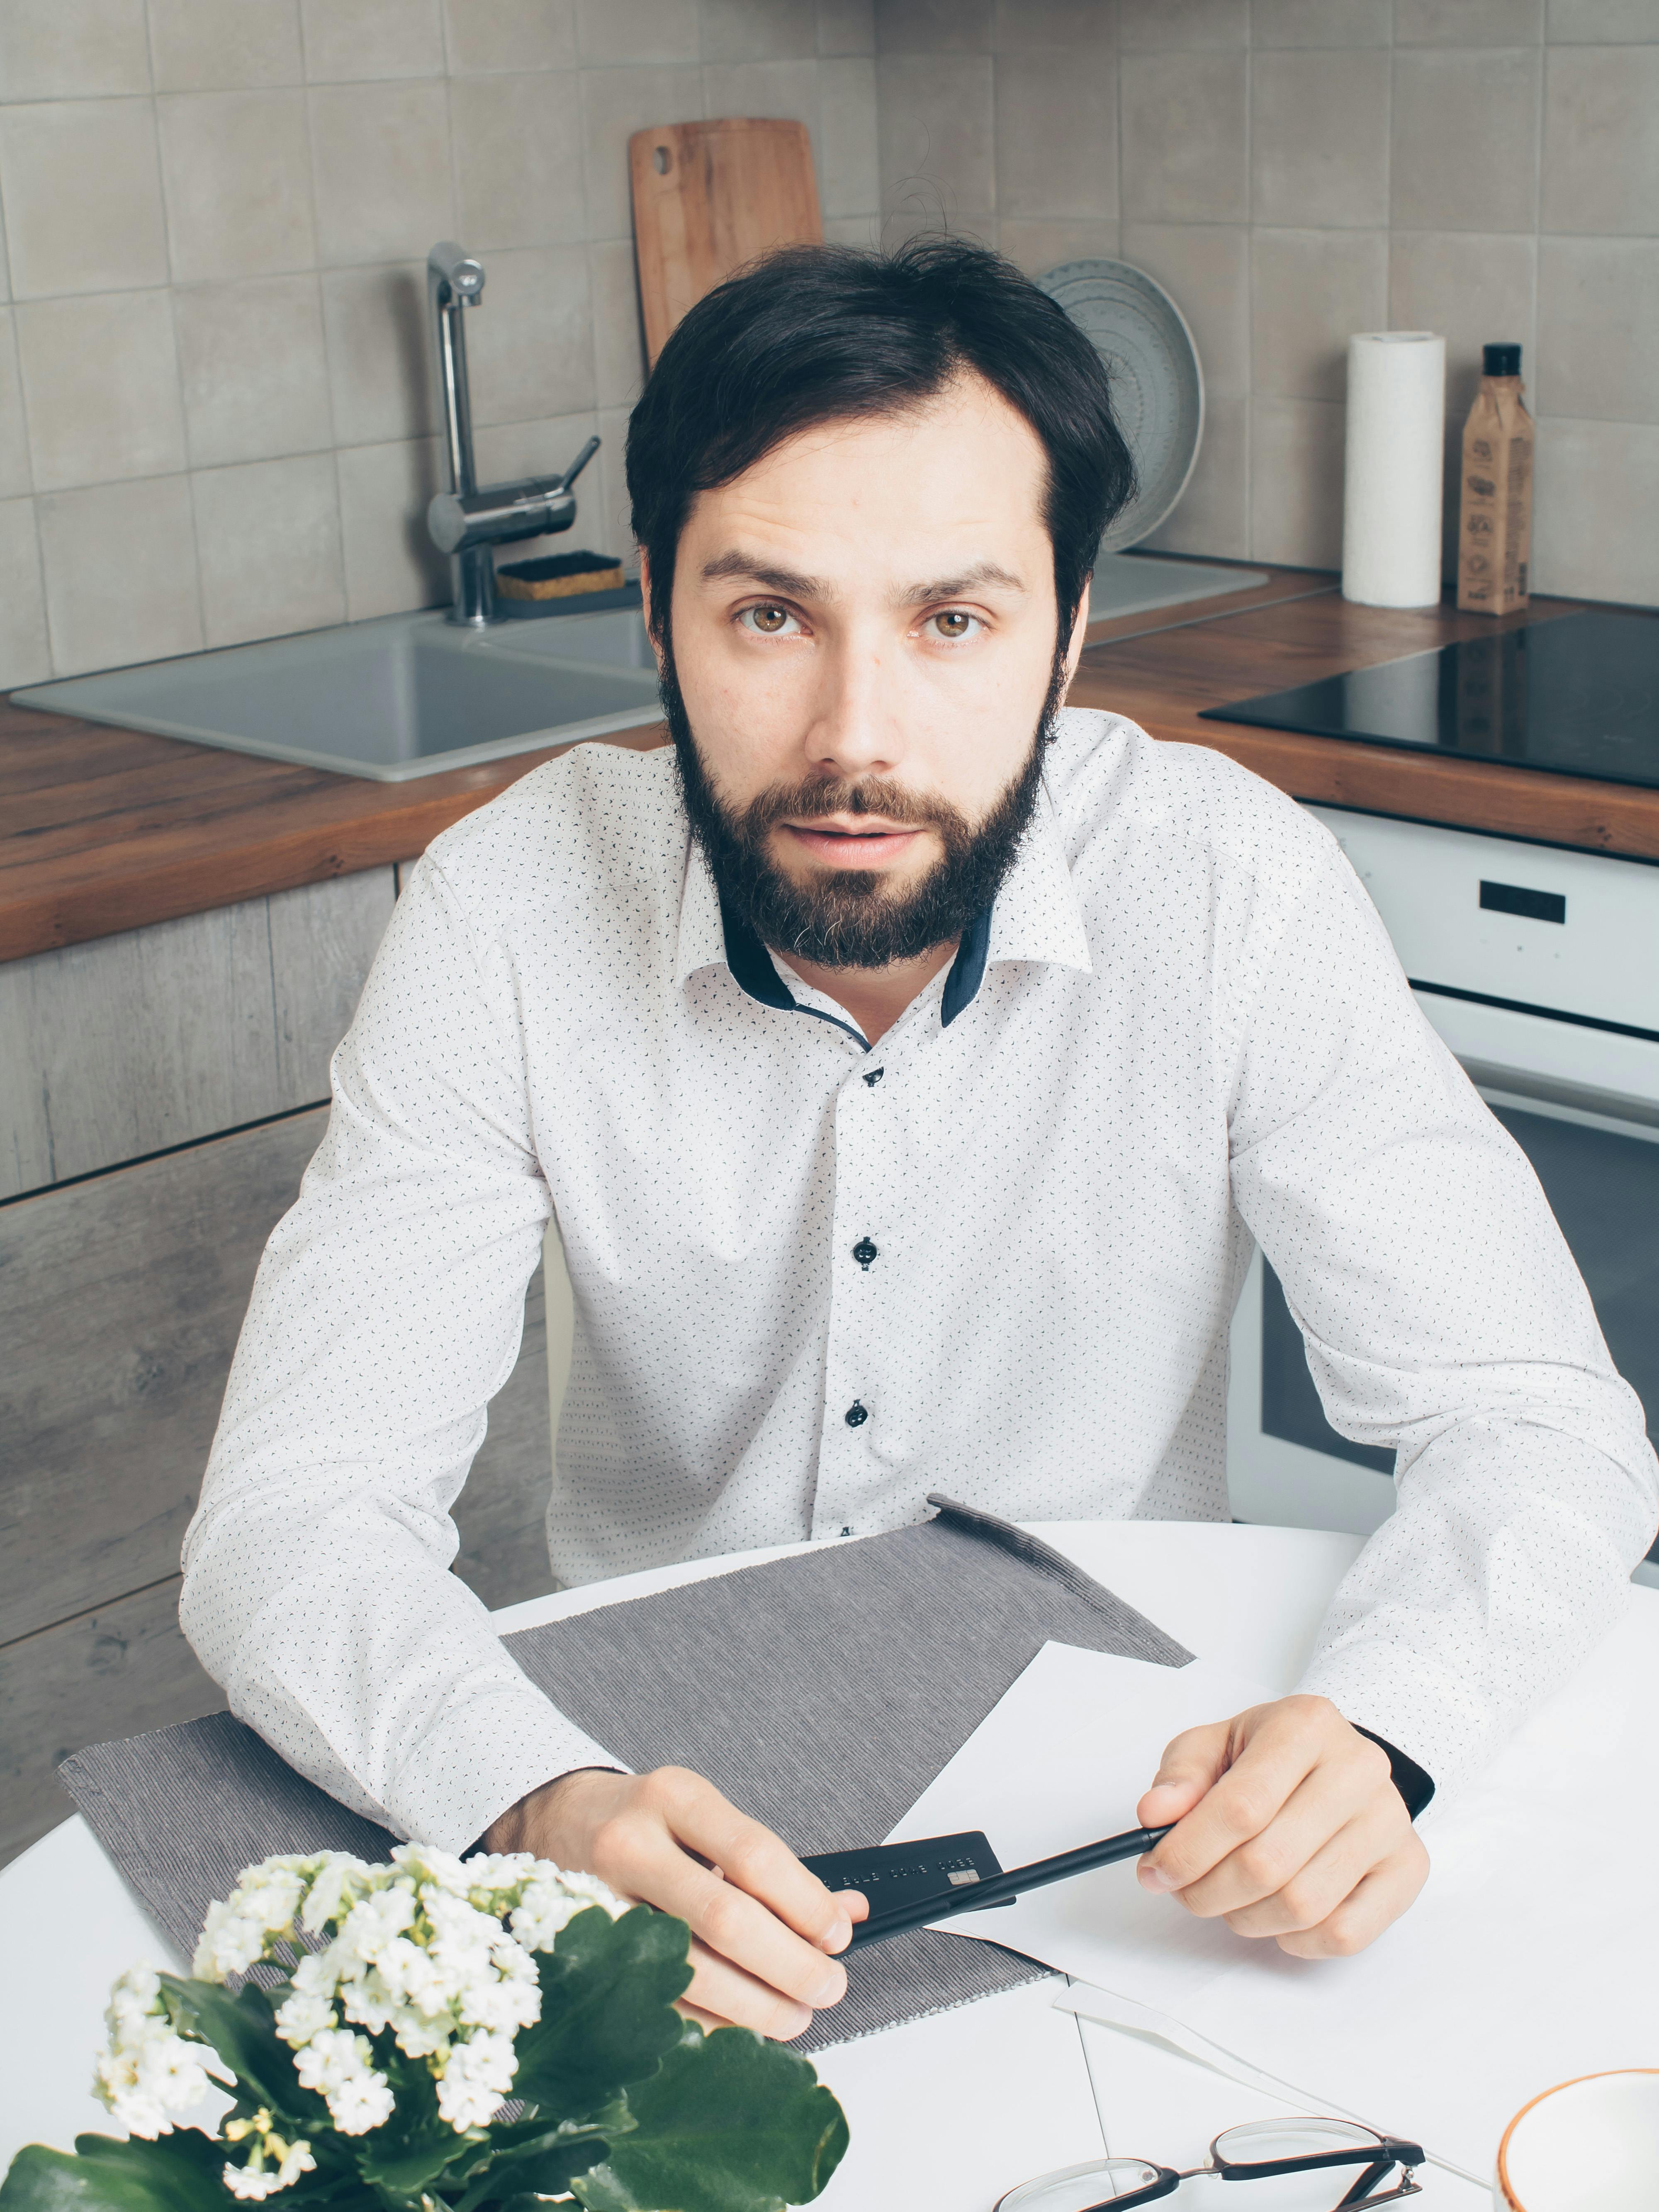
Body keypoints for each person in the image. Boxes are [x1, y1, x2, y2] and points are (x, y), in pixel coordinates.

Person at [182, 241, 1657, 2046]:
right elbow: (293, 1515)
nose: (854, 739)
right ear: (651, 610)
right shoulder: (503, 906)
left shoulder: (1227, 879)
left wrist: (1388, 1722)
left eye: (952, 621)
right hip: (651, 1769)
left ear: (1070, 631)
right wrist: (526, 1797)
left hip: (1119, 1808)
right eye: (768, 614)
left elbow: (1534, 1419)